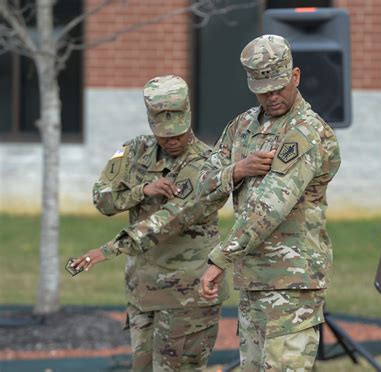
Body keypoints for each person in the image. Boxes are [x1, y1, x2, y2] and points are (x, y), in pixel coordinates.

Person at [198, 34, 341, 371]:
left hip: (292, 283)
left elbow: (271, 204)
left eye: (279, 87)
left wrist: (221, 258)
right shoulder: (243, 127)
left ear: (296, 77)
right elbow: (202, 184)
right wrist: (237, 170)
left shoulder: (306, 132)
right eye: (264, 91)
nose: (273, 97)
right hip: (253, 280)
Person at [72, 75, 228, 371]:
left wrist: (107, 250)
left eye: (178, 133)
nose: (172, 141)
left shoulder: (209, 164)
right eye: (164, 134)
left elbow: (169, 221)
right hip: (143, 292)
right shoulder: (133, 152)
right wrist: (140, 191)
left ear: (189, 118)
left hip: (188, 295)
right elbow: (101, 198)